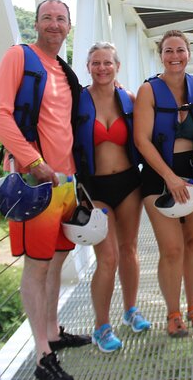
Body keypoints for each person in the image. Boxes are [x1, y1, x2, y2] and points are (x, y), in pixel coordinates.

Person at [0, 0, 88, 380]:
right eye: (47, 17)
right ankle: (43, 355)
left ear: (68, 27)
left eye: (61, 19)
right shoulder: (20, 56)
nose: (54, 24)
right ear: (36, 23)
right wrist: (32, 162)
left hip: (65, 181)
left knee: (57, 260)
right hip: (36, 182)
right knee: (37, 266)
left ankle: (53, 332)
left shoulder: (64, 70)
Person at [73, 42, 150, 353]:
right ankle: (100, 326)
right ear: (88, 67)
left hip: (129, 183)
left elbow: (148, 136)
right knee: (108, 259)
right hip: (96, 189)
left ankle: (131, 310)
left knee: (129, 250)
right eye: (95, 63)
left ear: (117, 66)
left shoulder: (128, 100)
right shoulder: (77, 102)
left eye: (107, 63)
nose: (101, 68)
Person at [133, 30, 193, 338]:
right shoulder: (149, 90)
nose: (174, 56)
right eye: (168, 51)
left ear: (188, 54)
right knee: (172, 249)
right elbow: (141, 140)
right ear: (160, 55)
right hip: (158, 176)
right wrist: (169, 177)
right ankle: (173, 312)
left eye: (180, 50)